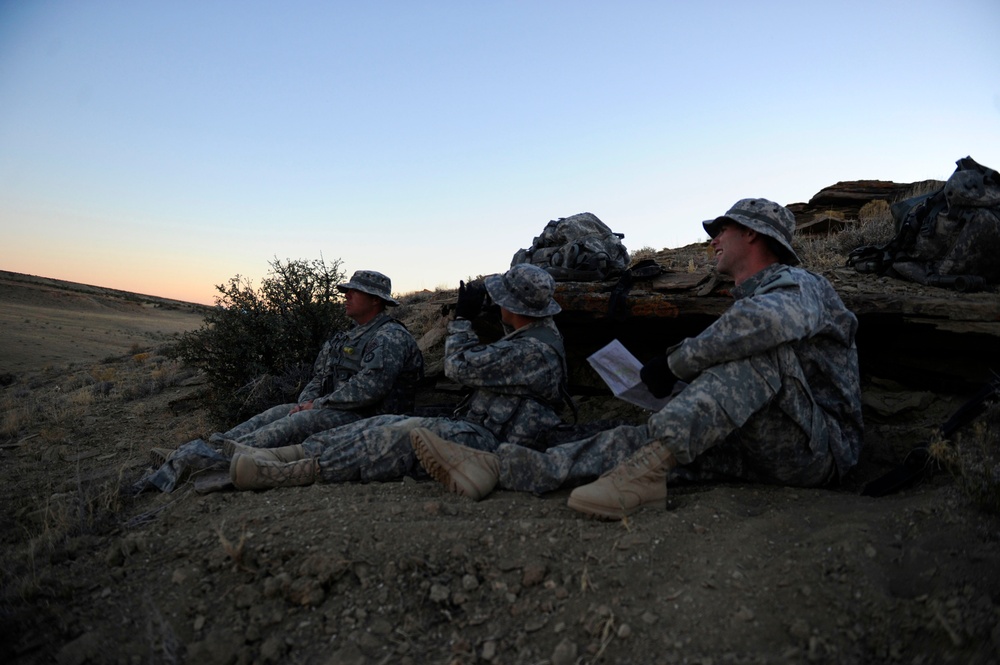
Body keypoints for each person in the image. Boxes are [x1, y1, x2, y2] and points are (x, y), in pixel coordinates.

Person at [411, 198, 864, 519]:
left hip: (819, 449)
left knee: (756, 353)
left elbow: (764, 329)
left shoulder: (802, 285)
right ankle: (499, 467)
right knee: (638, 445)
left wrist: (675, 364)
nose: (712, 241)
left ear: (752, 233)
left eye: (720, 230)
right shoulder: (755, 298)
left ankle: (651, 465)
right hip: (768, 445)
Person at [227, 263, 570, 490]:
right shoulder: (532, 337)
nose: (497, 303)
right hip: (480, 427)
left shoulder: (533, 350)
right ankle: (281, 456)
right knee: (387, 424)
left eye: (501, 299)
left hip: (497, 443)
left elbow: (458, 366)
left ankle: (292, 472)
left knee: (401, 433)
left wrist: (463, 320)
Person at [138, 269, 423, 492]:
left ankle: (201, 462)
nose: (346, 296)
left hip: (372, 418)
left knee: (296, 423)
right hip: (338, 410)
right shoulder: (346, 337)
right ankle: (206, 449)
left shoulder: (390, 337)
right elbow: (319, 376)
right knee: (278, 413)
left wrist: (316, 407)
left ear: (375, 300)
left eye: (354, 292)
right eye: (346, 291)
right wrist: (305, 402)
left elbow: (369, 389)